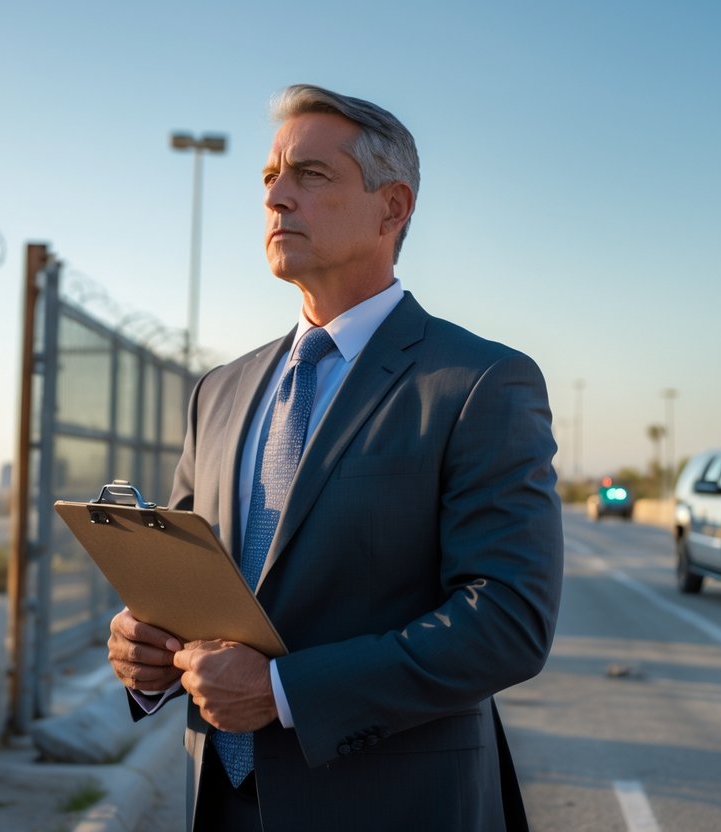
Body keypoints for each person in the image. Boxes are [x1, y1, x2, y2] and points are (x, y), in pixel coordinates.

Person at [107, 84, 563, 831]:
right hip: (218, 802)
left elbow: (507, 620)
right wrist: (145, 650)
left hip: (392, 807)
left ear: (393, 208)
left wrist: (287, 691)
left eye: (310, 175)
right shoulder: (218, 391)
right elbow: (188, 589)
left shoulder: (478, 381)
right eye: (267, 179)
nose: (277, 198)